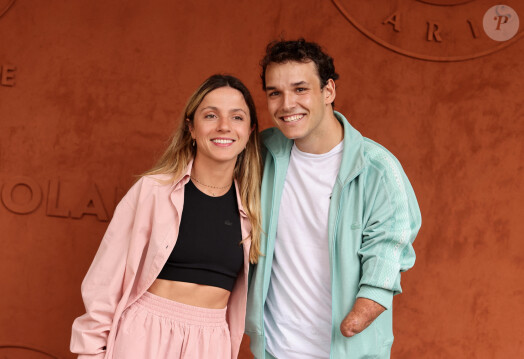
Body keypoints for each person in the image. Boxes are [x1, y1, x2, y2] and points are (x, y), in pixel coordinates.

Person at [245, 39, 421, 358]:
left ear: (329, 91)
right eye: (275, 93)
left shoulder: (377, 168)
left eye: (301, 89)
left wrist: (368, 303)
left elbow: (390, 243)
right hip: (273, 349)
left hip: (347, 350)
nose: (287, 104)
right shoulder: (261, 153)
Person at [70, 74, 262, 359]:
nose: (224, 126)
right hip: (143, 335)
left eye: (237, 117)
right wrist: (91, 354)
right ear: (191, 128)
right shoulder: (153, 191)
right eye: (210, 115)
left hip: (211, 344)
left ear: (249, 131)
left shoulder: (256, 207)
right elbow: (104, 281)